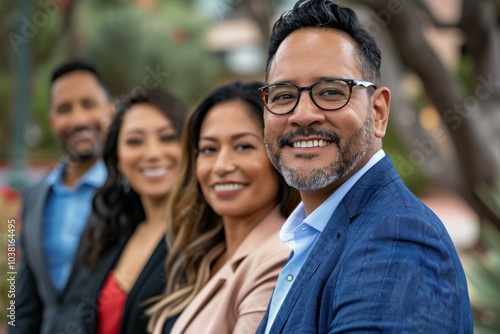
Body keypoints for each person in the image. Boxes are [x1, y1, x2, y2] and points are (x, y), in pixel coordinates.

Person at [256, 1, 473, 333]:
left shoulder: (398, 239)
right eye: (283, 95)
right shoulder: (316, 233)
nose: (301, 114)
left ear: (379, 112)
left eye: (330, 92)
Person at [148, 81, 300, 334]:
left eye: (243, 146)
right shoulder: (204, 255)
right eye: (208, 149)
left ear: (279, 156)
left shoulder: (279, 260)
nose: (221, 166)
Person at [13, 60, 114, 333]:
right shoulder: (34, 198)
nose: (78, 119)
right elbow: (22, 300)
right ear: (52, 121)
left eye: (88, 104)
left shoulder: (129, 193)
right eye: (64, 109)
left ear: (111, 111)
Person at [78, 87, 188, 334]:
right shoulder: (116, 229)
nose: (152, 153)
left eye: (168, 137)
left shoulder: (207, 235)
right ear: (117, 158)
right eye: (135, 141)